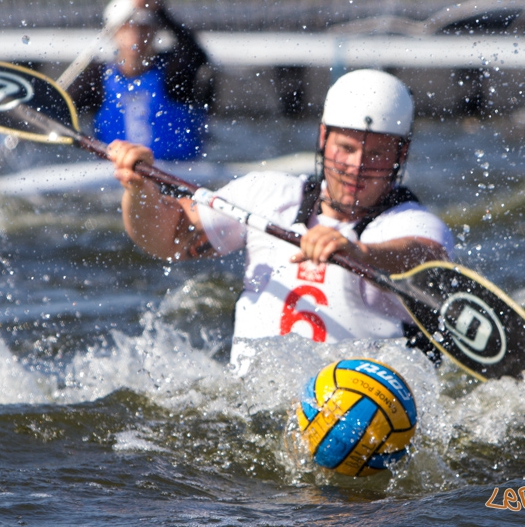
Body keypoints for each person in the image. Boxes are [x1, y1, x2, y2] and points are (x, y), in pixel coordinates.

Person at [109, 69, 454, 374]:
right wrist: (140, 191)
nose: (357, 167)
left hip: (361, 416)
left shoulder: (411, 223)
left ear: (400, 156)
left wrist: (359, 252)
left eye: (376, 154)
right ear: (323, 139)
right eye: (346, 148)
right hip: (254, 407)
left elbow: (427, 257)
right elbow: (169, 238)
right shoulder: (267, 194)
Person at [92, 0, 211, 161]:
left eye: (143, 29)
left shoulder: (173, 72)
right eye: (127, 28)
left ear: (155, 32)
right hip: (119, 175)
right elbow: (62, 107)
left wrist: (159, 9)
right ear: (114, 33)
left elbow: (197, 54)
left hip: (176, 171)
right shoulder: (96, 76)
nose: (136, 38)